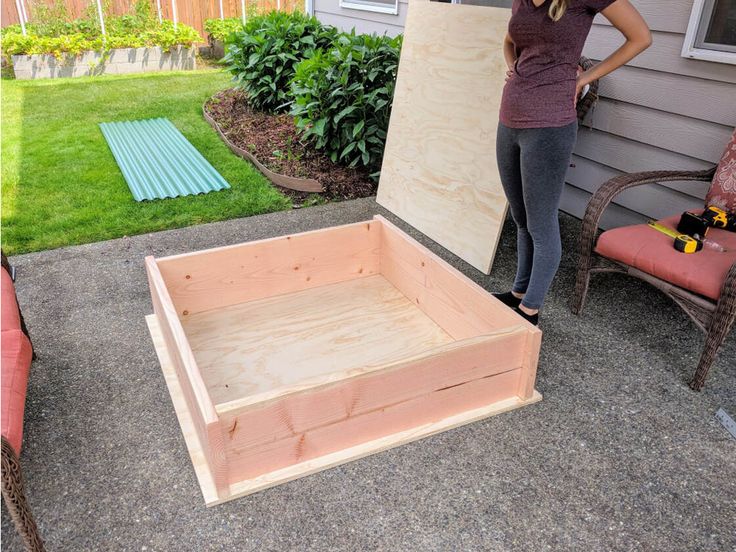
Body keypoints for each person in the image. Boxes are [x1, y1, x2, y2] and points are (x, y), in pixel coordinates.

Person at [492, 0, 651, 325]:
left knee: (541, 224)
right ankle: (519, 293)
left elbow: (640, 37)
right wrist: (514, 68)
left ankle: (529, 311)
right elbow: (510, 41)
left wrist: (584, 78)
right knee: (520, 218)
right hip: (509, 119)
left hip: (550, 125)